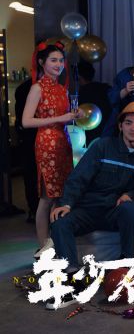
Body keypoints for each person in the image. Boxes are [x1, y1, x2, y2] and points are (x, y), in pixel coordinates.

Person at [48, 102, 134, 309]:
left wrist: (131, 194)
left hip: (114, 212)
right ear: (120, 126)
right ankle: (71, 281)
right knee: (60, 222)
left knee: (131, 210)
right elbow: (79, 177)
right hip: (88, 210)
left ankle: (127, 268)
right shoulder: (103, 146)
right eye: (128, 122)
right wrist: (66, 204)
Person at [22, 42, 79, 258]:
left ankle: (56, 242)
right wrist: (60, 118)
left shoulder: (61, 88)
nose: (58, 64)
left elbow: (64, 118)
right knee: (47, 196)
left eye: (61, 60)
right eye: (53, 60)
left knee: (60, 196)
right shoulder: (37, 88)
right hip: (47, 143)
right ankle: (43, 245)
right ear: (41, 62)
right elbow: (26, 121)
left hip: (63, 142)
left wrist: (75, 116)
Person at [14, 78, 38, 223]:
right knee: (34, 174)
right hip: (34, 135)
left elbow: (19, 118)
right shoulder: (30, 88)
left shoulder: (23, 88)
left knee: (31, 175)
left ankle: (34, 209)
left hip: (28, 137)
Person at [78, 59, 112, 143]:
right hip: (108, 132)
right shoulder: (106, 88)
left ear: (79, 76)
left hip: (89, 135)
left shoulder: (81, 93)